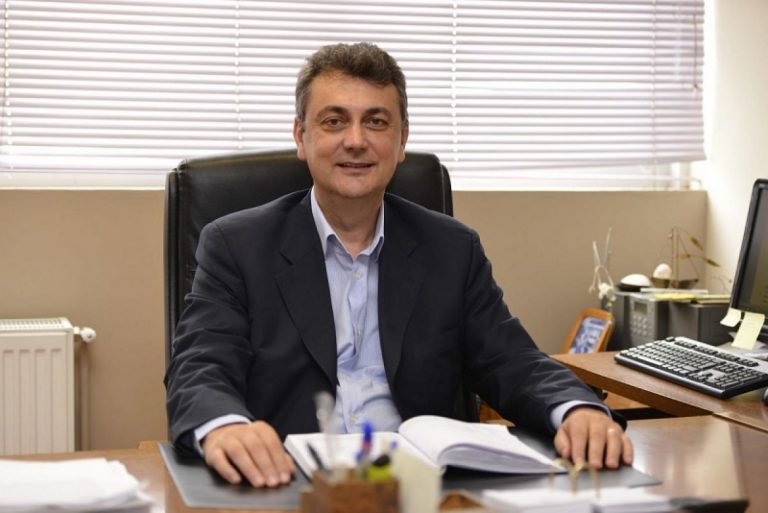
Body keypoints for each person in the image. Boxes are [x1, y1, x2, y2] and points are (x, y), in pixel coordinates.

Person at [165, 42, 633, 489]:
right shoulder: (237, 246)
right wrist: (224, 427)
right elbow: (200, 364)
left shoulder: (452, 249)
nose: (355, 141)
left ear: (402, 139)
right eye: (334, 121)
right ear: (301, 137)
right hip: (290, 485)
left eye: (376, 122)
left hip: (424, 489)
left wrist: (575, 409)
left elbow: (511, 360)